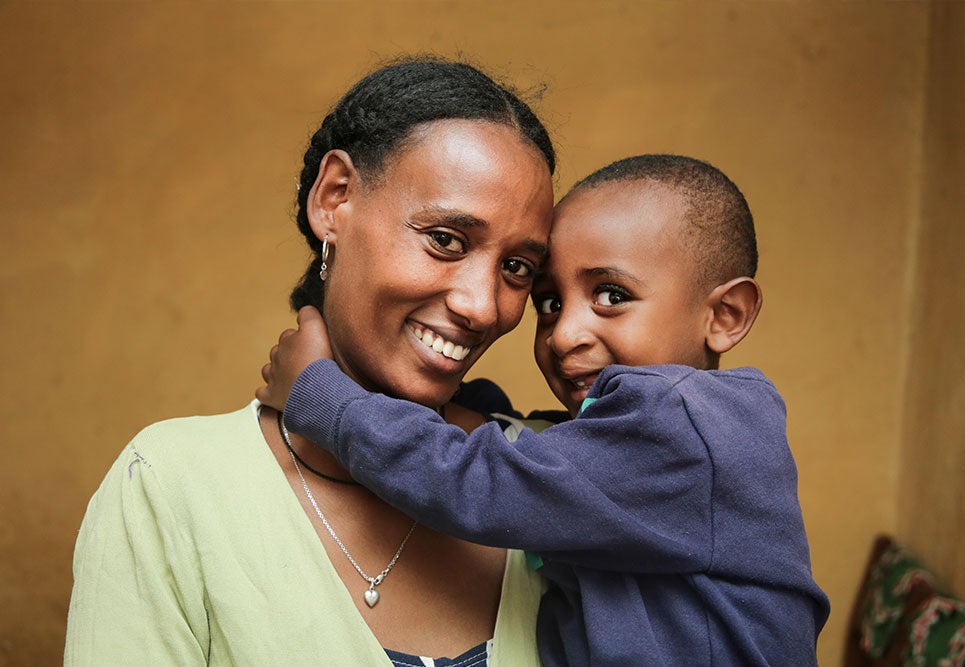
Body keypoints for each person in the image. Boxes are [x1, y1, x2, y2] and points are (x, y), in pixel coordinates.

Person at [65, 57, 558, 667]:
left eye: (517, 268)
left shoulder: (553, 476)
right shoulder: (172, 488)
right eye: (446, 240)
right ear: (334, 198)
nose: (483, 308)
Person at [258, 154, 832, 666]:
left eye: (611, 295)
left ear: (725, 315)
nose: (563, 336)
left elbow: (482, 482)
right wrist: (464, 405)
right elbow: (555, 455)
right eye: (550, 303)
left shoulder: (686, 424)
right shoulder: (655, 442)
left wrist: (320, 393)